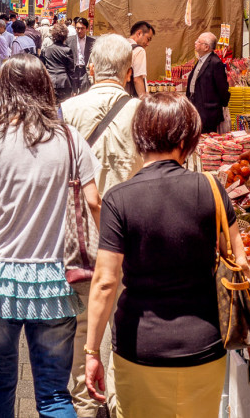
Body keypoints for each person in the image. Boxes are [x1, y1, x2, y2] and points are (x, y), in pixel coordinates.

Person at [84, 93, 250, 418]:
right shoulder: (212, 189)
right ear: (188, 138)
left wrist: (90, 352)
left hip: (139, 345)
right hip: (204, 344)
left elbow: (104, 283)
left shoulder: (118, 199)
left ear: (139, 136)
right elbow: (241, 265)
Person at [0, 54, 101, 418]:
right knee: (53, 393)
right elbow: (95, 201)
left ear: (3, 90)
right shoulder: (69, 139)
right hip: (55, 281)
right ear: (45, 89)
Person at [61, 34, 143, 418]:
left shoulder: (66, 111)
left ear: (91, 70)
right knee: (125, 320)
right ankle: (117, 401)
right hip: (130, 239)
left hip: (80, 239)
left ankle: (85, 405)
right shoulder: (143, 114)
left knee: (81, 328)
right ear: (129, 73)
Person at [186, 32, 230, 134]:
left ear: (206, 47)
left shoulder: (215, 63)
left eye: (198, 41)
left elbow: (222, 89)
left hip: (208, 112)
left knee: (206, 141)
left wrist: (217, 106)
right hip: (196, 107)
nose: (195, 42)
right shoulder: (201, 60)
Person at [41, 22, 76, 103]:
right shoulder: (67, 50)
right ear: (65, 36)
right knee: (64, 108)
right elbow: (71, 71)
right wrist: (74, 87)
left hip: (50, 81)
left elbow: (42, 67)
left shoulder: (46, 50)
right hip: (64, 82)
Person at [67, 17, 96, 95]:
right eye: (77, 28)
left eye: (82, 28)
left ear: (87, 28)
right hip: (73, 70)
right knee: (72, 93)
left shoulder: (92, 42)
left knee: (85, 93)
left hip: (85, 70)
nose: (79, 31)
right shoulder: (69, 40)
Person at [126, 20, 155, 97]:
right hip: (131, 98)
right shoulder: (139, 50)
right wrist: (144, 101)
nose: (148, 44)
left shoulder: (121, 46)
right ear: (139, 33)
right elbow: (137, 79)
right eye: (148, 39)